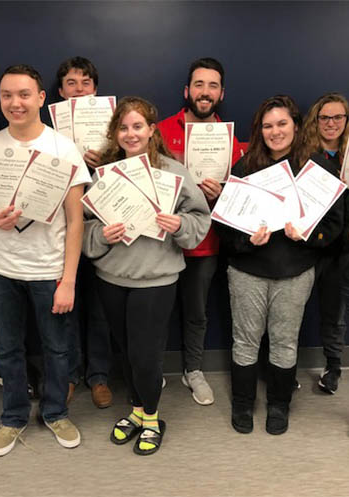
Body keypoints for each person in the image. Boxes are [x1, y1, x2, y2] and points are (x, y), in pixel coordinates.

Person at [0, 64, 91, 456]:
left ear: (40, 98)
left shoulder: (63, 149)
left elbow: (75, 221)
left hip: (47, 269)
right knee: (8, 348)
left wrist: (68, 279)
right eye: (6, 95)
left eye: (23, 94)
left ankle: (55, 412)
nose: (14, 103)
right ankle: (13, 416)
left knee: (56, 348)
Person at [83, 96, 210, 455]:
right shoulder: (105, 175)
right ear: (115, 133)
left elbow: (200, 220)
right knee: (125, 350)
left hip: (156, 280)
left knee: (146, 355)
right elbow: (86, 225)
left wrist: (180, 223)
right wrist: (100, 235)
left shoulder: (173, 172)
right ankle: (137, 412)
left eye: (138, 126)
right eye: (123, 127)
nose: (130, 133)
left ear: (152, 130)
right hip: (112, 277)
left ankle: (153, 417)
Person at [216, 95, 343, 435]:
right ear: (260, 130)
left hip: (295, 272)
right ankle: (243, 403)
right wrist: (246, 241)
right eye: (268, 125)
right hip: (247, 272)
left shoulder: (318, 169)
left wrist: (308, 235)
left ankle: (278, 404)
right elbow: (224, 229)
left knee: (285, 342)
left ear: (296, 126)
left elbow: (334, 226)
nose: (275, 131)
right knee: (245, 341)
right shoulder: (244, 168)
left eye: (282, 123)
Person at [157, 57, 243, 405]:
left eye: (212, 86)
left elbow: (241, 201)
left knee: (196, 312)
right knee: (156, 312)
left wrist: (221, 195)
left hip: (205, 244)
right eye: (199, 84)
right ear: (187, 90)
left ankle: (193, 371)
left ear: (221, 94)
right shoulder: (160, 131)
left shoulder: (231, 141)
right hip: (161, 241)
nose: (204, 92)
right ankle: (154, 369)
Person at [55, 56, 113, 408]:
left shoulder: (113, 130)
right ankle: (70, 373)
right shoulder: (48, 133)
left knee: (101, 307)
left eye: (86, 83)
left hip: (103, 228)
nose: (79, 90)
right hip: (62, 231)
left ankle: (99, 376)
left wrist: (103, 161)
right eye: (71, 84)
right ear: (60, 91)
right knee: (66, 305)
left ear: (95, 88)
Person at [299, 93, 349, 394]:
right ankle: (285, 369)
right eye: (324, 118)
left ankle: (333, 367)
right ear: (315, 121)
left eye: (338, 117)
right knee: (292, 311)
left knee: (334, 312)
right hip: (305, 245)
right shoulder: (303, 155)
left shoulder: (348, 157)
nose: (331, 124)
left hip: (341, 250)